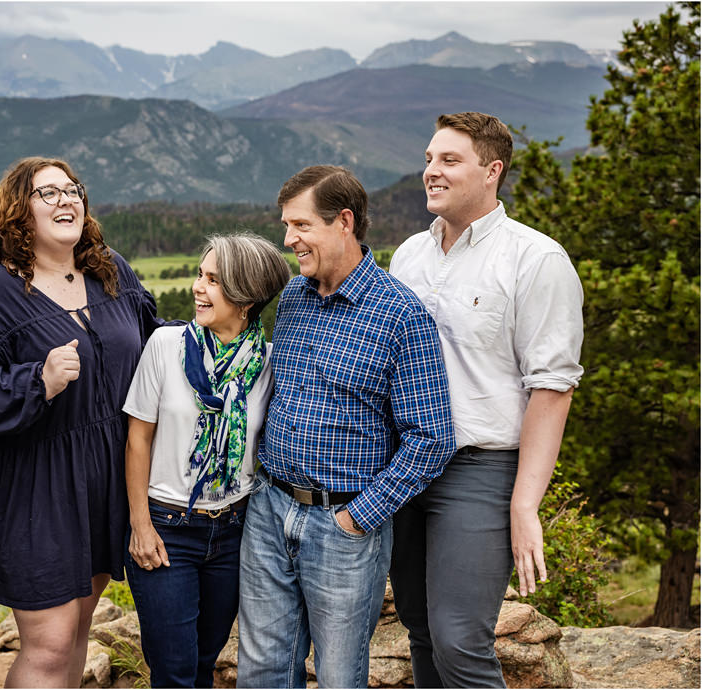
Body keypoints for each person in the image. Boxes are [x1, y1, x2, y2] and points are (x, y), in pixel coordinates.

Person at [0, 157, 164, 688]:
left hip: (103, 478)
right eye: (48, 193)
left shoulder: (111, 271)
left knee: (77, 632)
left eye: (72, 189)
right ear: (20, 212)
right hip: (34, 484)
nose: (66, 200)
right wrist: (36, 380)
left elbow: (154, 343)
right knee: (51, 644)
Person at [236, 165, 457, 689]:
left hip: (343, 525)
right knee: (263, 670)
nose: (289, 239)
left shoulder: (400, 315)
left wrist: (359, 517)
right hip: (269, 511)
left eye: (301, 225)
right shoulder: (292, 298)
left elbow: (432, 436)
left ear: (344, 222)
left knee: (339, 678)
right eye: (286, 226)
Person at [388, 111, 584, 688]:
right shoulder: (408, 258)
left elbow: (552, 387)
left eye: (449, 160)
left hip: (481, 468)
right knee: (420, 632)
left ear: (492, 170)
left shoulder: (536, 260)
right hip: (406, 468)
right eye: (429, 159)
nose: (432, 171)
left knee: (459, 640)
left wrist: (525, 504)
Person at [123, 234, 291, 688]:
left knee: (203, 663)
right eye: (200, 274)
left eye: (213, 280)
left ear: (247, 297)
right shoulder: (165, 345)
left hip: (235, 532)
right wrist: (141, 525)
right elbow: (138, 438)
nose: (199, 287)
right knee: (174, 670)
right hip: (166, 529)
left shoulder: (269, 363)